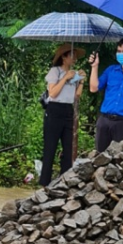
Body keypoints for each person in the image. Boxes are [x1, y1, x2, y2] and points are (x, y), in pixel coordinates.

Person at [39, 44, 86, 186]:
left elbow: (76, 95)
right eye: (72, 55)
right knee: (50, 147)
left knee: (69, 147)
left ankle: (64, 180)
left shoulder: (73, 73)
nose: (75, 59)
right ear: (64, 57)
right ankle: (44, 182)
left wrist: (81, 80)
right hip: (54, 110)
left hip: (68, 110)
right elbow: (52, 93)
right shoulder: (55, 72)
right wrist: (65, 78)